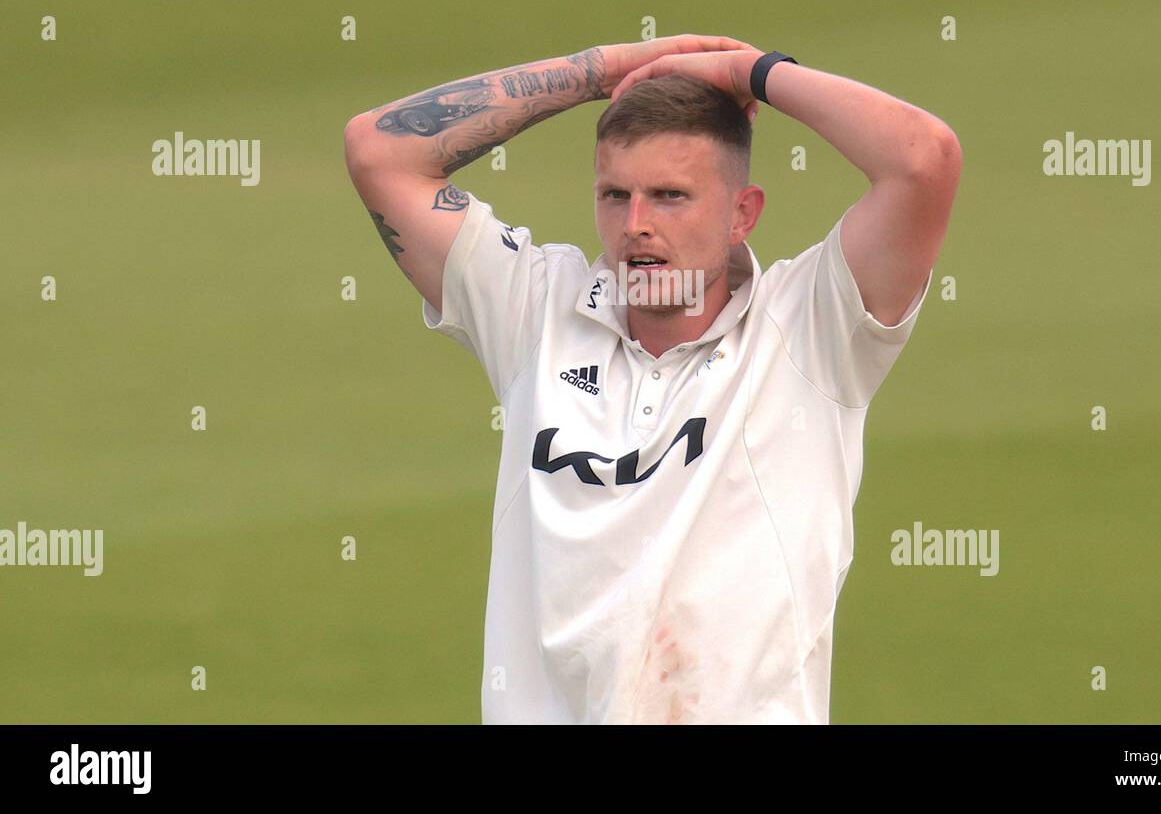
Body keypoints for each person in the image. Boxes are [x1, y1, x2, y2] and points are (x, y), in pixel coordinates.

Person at [343, 35, 961, 723]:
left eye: (670, 196)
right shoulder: (535, 310)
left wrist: (749, 73)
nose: (636, 226)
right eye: (616, 195)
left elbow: (923, 158)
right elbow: (379, 151)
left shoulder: (811, 330)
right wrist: (604, 72)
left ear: (741, 213)